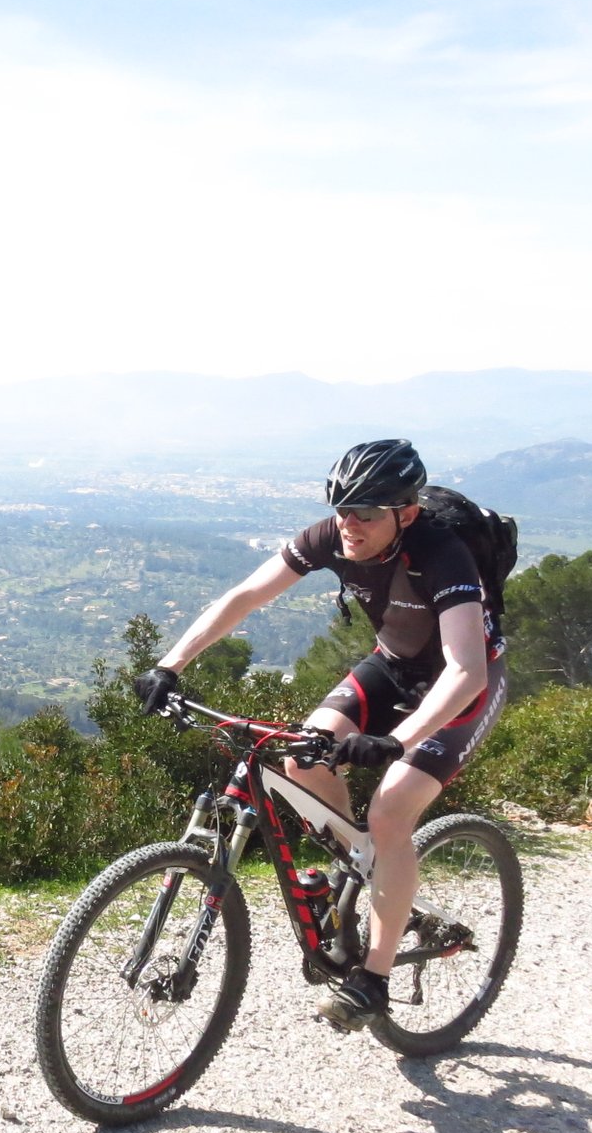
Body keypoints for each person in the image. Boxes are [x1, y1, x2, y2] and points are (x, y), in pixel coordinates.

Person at [130, 438, 508, 1032]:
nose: (348, 525)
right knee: (300, 758)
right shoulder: (331, 536)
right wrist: (170, 665)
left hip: (460, 691)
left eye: (365, 513)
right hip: (392, 666)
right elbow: (245, 597)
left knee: (390, 812)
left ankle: (374, 980)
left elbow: (467, 671)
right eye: (341, 509)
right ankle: (358, 871)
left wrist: (396, 741)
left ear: (405, 513)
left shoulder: (442, 551)